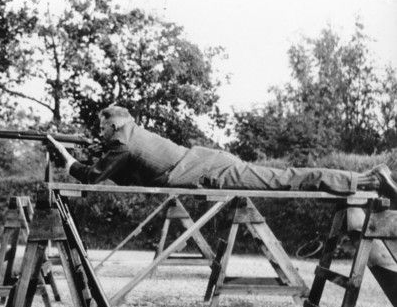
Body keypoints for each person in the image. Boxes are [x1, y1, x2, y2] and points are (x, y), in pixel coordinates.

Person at [47, 105, 397, 304]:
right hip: (209, 165)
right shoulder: (128, 137)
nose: (102, 132)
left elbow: (91, 179)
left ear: (114, 124)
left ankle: (365, 180)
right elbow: (120, 174)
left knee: (286, 177)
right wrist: (81, 156)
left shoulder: (121, 143)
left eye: (103, 127)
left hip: (214, 170)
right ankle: (362, 178)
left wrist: (64, 157)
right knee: (285, 175)